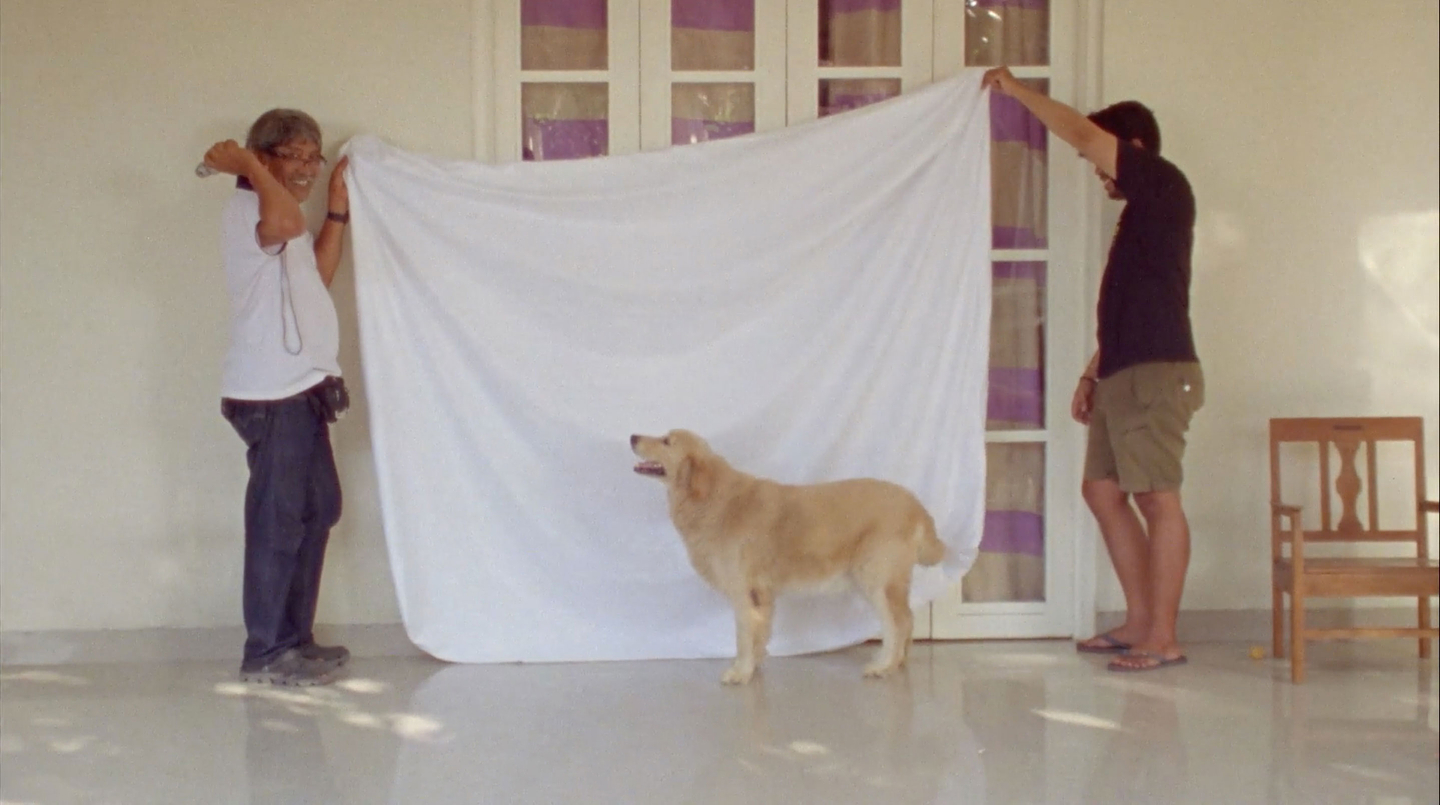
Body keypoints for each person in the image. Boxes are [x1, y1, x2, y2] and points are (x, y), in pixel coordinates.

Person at [982, 68, 1204, 672]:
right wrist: (1091, 373)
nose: (1098, 172)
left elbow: (1081, 133)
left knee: (1159, 499)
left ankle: (1163, 636)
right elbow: (1135, 305)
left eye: (1103, 159)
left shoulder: (1160, 182)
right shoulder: (1142, 214)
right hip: (1124, 370)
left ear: (1131, 147)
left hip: (1157, 374)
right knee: (1102, 491)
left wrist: (1015, 91)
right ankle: (1139, 622)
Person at [202, 109, 353, 685]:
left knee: (318, 508)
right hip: (269, 395)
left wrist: (336, 207)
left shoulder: (275, 210)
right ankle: (265, 652)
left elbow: (317, 269)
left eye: (314, 157)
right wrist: (243, 165)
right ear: (265, 158)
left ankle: (294, 640)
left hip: (302, 391)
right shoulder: (250, 211)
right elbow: (287, 225)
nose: (309, 168)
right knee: (279, 520)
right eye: (297, 156)